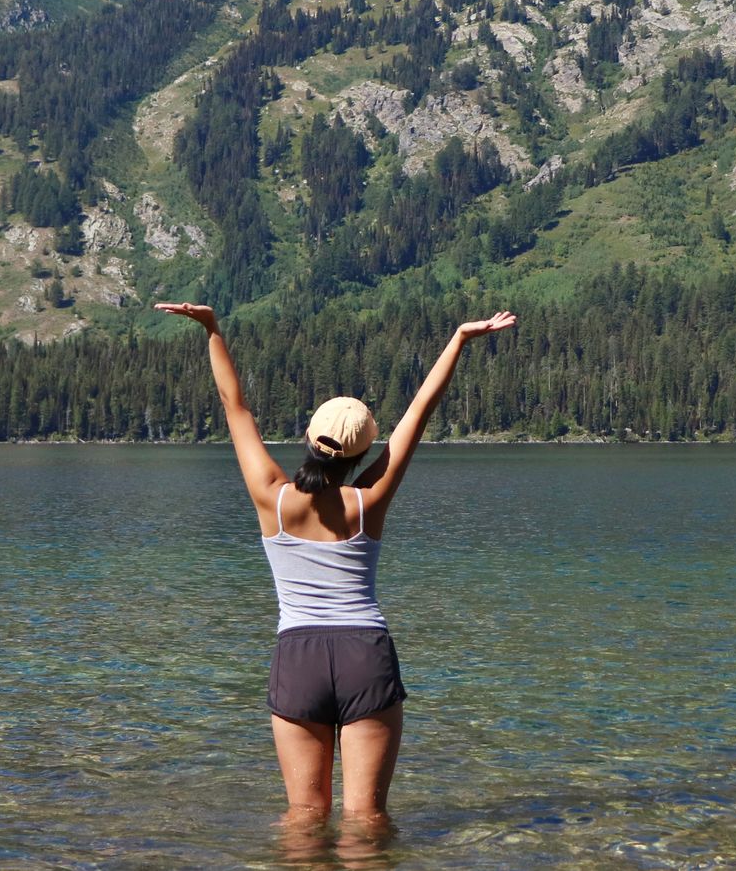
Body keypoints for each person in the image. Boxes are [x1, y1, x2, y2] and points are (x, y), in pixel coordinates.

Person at [154, 300, 517, 825]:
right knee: (366, 818)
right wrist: (459, 339)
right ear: (362, 453)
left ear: (309, 438)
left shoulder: (272, 498)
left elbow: (236, 407)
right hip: (363, 654)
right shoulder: (368, 501)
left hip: (297, 654)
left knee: (304, 815)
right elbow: (418, 413)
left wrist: (212, 329)